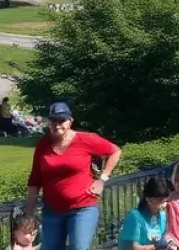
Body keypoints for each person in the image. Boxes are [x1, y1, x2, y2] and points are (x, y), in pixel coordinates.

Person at [25, 101, 122, 250]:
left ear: (70, 122)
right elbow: (35, 177)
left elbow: (115, 151)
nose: (57, 125)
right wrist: (30, 209)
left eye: (61, 120)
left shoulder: (85, 139)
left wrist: (102, 178)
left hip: (82, 208)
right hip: (52, 210)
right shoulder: (43, 144)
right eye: (53, 121)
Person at [118, 176, 173, 250]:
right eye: (161, 199)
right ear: (149, 199)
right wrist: (156, 248)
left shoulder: (163, 216)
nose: (166, 202)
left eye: (167, 198)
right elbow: (132, 247)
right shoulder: (134, 216)